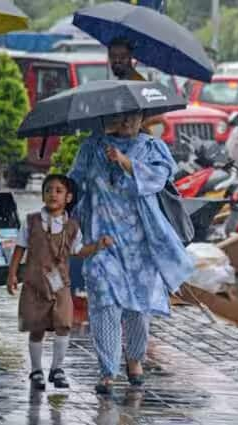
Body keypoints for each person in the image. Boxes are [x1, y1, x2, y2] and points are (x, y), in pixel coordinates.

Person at [68, 111, 194, 394]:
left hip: (141, 246)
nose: (126, 122)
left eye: (133, 116)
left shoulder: (152, 148)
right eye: (120, 116)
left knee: (139, 306)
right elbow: (74, 185)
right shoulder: (91, 147)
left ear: (142, 119)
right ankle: (107, 370)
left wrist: (125, 162)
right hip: (102, 241)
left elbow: (158, 179)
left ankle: (135, 359)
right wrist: (68, 219)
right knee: (103, 302)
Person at [6, 174, 114, 391]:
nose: (52, 195)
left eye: (58, 191)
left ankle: (57, 368)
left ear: (68, 197)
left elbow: (79, 251)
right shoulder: (31, 221)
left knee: (63, 325)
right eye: (48, 190)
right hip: (35, 285)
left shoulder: (72, 226)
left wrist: (98, 246)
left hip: (60, 286)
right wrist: (12, 273)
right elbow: (20, 248)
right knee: (36, 328)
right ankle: (36, 370)